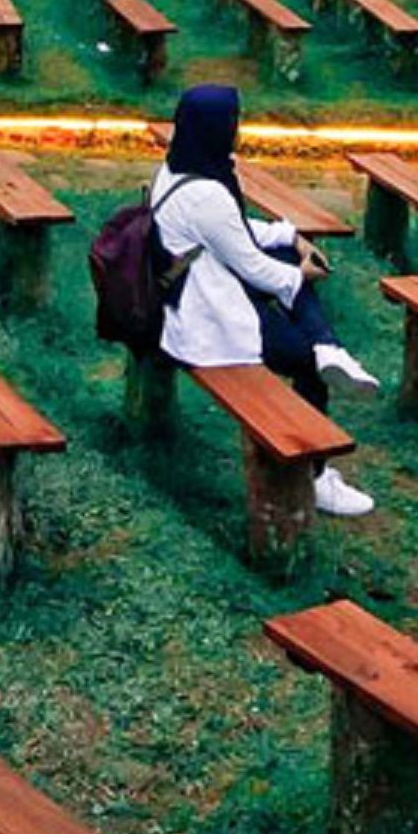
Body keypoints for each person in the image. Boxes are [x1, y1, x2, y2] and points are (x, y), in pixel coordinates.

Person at [150, 83, 379, 517]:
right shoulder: (208, 193)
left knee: (290, 264)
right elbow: (250, 264)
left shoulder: (179, 169)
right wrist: (299, 270)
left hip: (200, 293)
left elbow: (233, 231)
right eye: (235, 121)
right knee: (307, 360)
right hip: (209, 327)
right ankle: (314, 475)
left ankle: (330, 347)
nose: (240, 130)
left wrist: (288, 237)